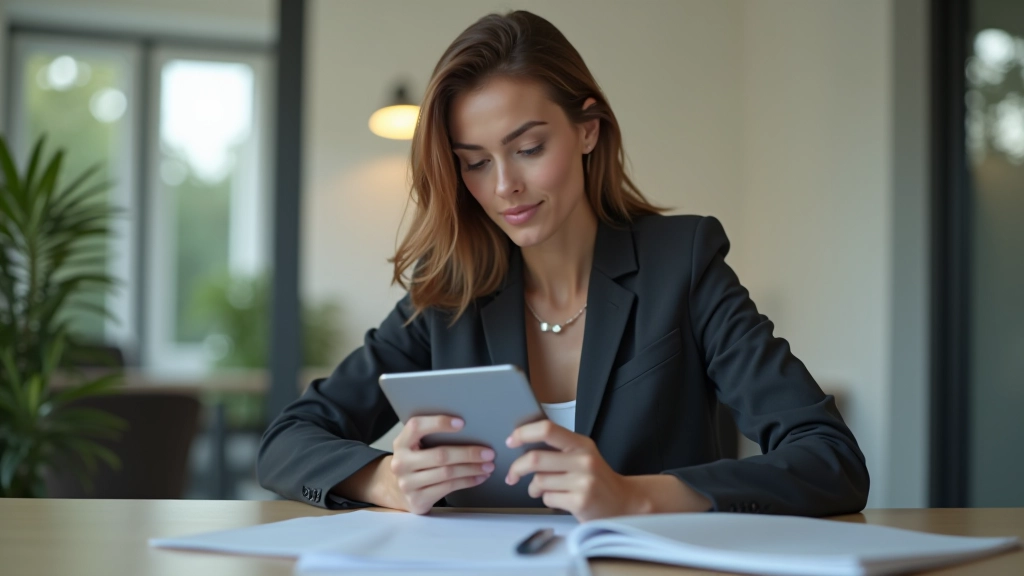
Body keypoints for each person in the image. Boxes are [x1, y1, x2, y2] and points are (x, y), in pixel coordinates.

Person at [257, 10, 869, 522]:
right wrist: (386, 479)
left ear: (588, 130)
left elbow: (830, 458)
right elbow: (287, 441)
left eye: (528, 148)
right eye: (475, 162)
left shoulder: (682, 263)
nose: (504, 186)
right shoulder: (449, 294)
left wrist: (635, 496)